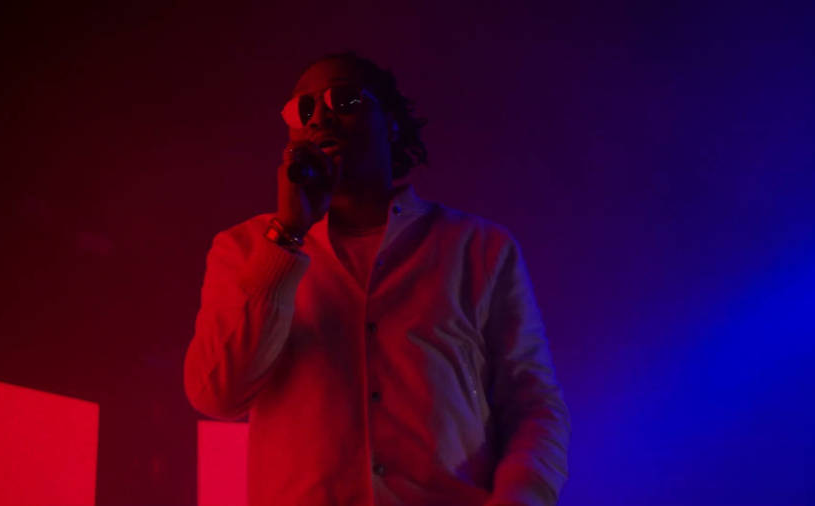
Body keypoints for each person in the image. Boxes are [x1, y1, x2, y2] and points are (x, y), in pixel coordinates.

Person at [183, 51, 570, 506]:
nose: (319, 117)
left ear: (392, 123)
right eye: (303, 109)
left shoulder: (479, 248)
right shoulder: (246, 248)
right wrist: (286, 236)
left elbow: (532, 403)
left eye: (343, 99)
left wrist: (520, 497)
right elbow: (217, 395)